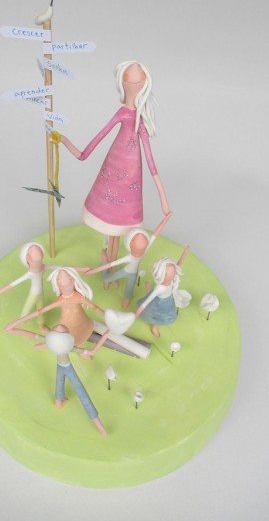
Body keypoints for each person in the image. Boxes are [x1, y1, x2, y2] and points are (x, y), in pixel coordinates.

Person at [56, 61, 171, 265]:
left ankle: (110, 266)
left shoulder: (139, 120)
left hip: (131, 178)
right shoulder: (124, 114)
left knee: (117, 230)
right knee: (112, 231)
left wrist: (163, 199)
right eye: (130, 79)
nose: (133, 82)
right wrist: (63, 140)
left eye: (136, 80)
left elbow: (151, 162)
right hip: (113, 171)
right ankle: (109, 266)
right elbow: (86, 152)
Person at [135, 247, 190, 337]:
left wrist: (185, 252)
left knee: (163, 314)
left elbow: (179, 264)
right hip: (158, 304)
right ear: (162, 275)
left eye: (173, 271)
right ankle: (154, 326)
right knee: (156, 315)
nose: (173, 273)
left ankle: (149, 291)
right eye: (169, 273)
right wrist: (135, 315)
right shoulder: (159, 288)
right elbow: (145, 304)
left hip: (168, 301)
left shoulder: (173, 277)